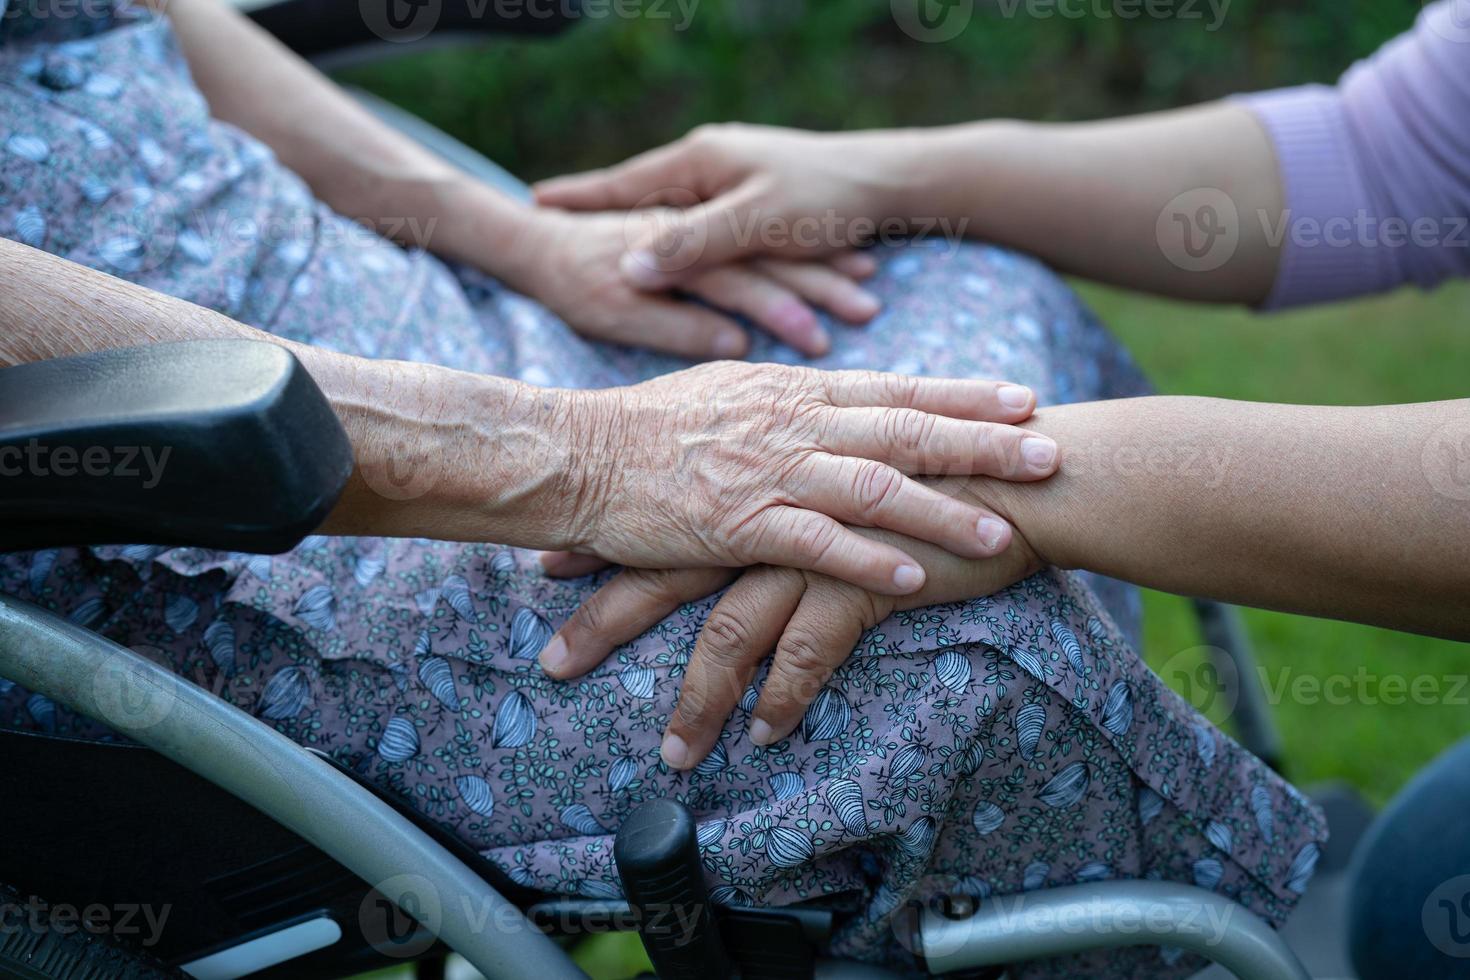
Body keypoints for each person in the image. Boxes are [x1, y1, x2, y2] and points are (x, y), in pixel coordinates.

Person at [0, 0, 1366, 976]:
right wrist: (583, 457)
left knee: (952, 283)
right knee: (922, 639)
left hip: (390, 321)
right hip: (193, 502)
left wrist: (522, 245)